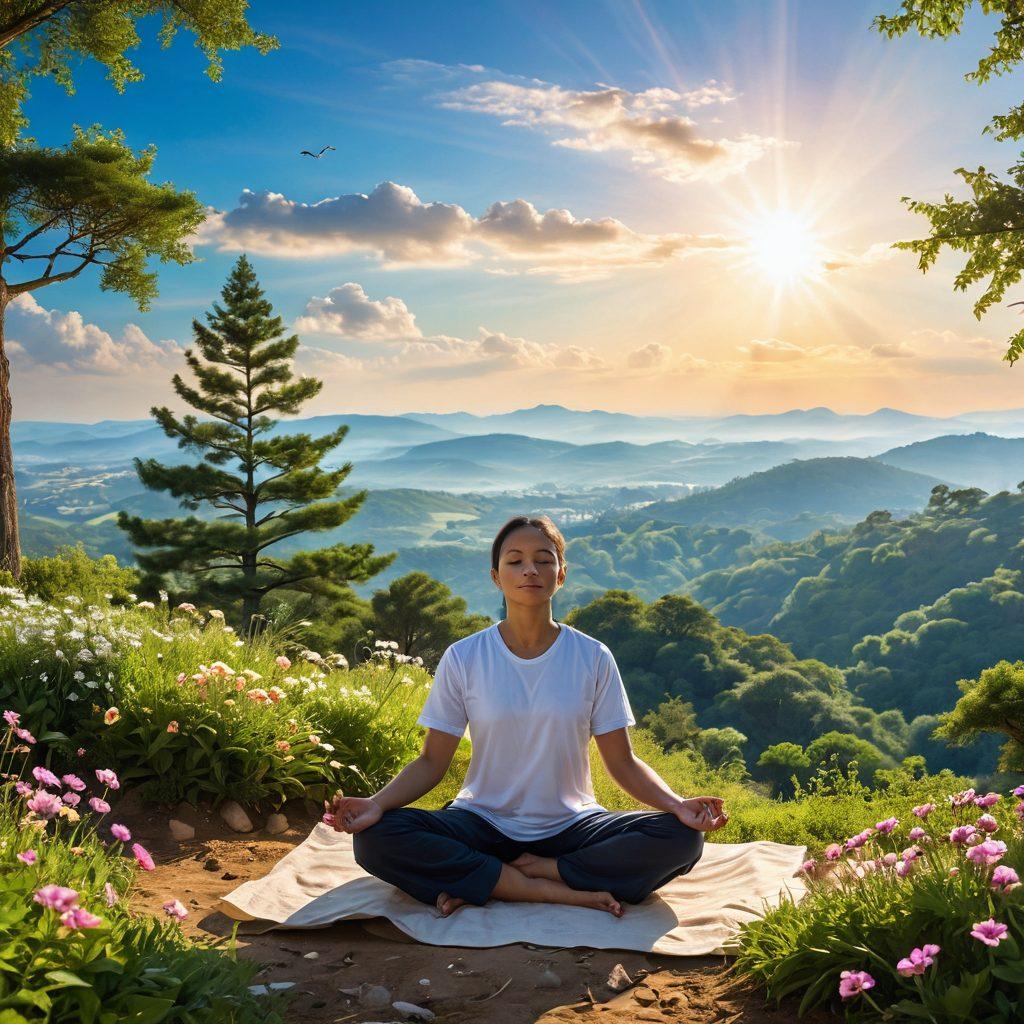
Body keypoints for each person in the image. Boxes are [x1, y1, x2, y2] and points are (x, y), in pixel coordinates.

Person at [327, 514, 728, 918]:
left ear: (561, 574)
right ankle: (549, 888)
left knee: (682, 839)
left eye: (544, 559)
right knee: (377, 838)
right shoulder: (465, 657)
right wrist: (376, 805)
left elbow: (622, 762)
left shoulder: (592, 656)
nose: (530, 570)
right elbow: (432, 760)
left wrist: (677, 805)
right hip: (481, 822)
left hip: (572, 828)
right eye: (515, 561)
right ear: (496, 577)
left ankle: (507, 879)